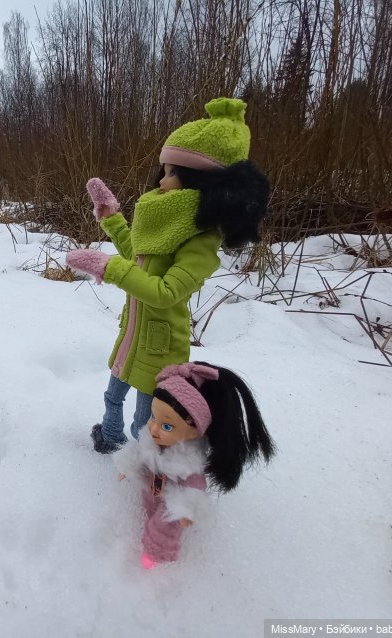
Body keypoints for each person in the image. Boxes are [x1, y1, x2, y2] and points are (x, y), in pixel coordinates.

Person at [66, 97, 269, 454]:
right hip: (132, 338)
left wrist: (110, 268)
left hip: (160, 351)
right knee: (112, 398)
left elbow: (164, 291)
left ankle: (147, 470)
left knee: (146, 422)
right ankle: (111, 439)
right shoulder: (165, 218)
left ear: (202, 182)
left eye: (173, 172)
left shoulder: (202, 239)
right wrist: (112, 218)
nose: (162, 180)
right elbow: (138, 257)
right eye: (165, 170)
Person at [113, 362, 276, 569]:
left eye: (167, 426)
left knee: (164, 525)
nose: (153, 428)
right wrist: (128, 466)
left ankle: (154, 554)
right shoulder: (151, 440)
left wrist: (187, 509)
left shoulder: (188, 464)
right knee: (148, 509)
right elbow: (139, 453)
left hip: (170, 500)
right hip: (151, 492)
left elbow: (193, 487)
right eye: (153, 417)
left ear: (194, 431)